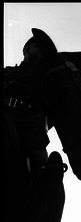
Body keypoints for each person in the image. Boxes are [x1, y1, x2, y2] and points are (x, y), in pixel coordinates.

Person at [4, 36, 50, 180]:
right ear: (26, 49)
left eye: (43, 49)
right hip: (4, 112)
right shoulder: (7, 71)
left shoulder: (44, 78)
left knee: (39, 156)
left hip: (26, 119)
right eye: (36, 45)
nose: (40, 49)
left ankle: (46, 182)